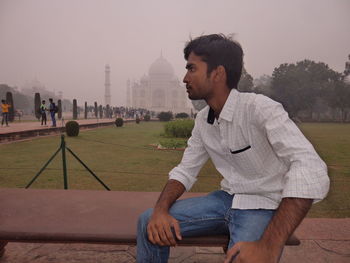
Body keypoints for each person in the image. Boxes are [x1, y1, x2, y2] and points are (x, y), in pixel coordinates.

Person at [136, 34, 330, 263]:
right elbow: (185, 170)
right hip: (225, 200)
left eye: (192, 69)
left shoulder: (260, 109)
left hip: (263, 204)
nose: (185, 78)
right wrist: (160, 210)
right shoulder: (203, 120)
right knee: (149, 222)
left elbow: (310, 166)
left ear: (217, 73)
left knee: (245, 258)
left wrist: (268, 246)